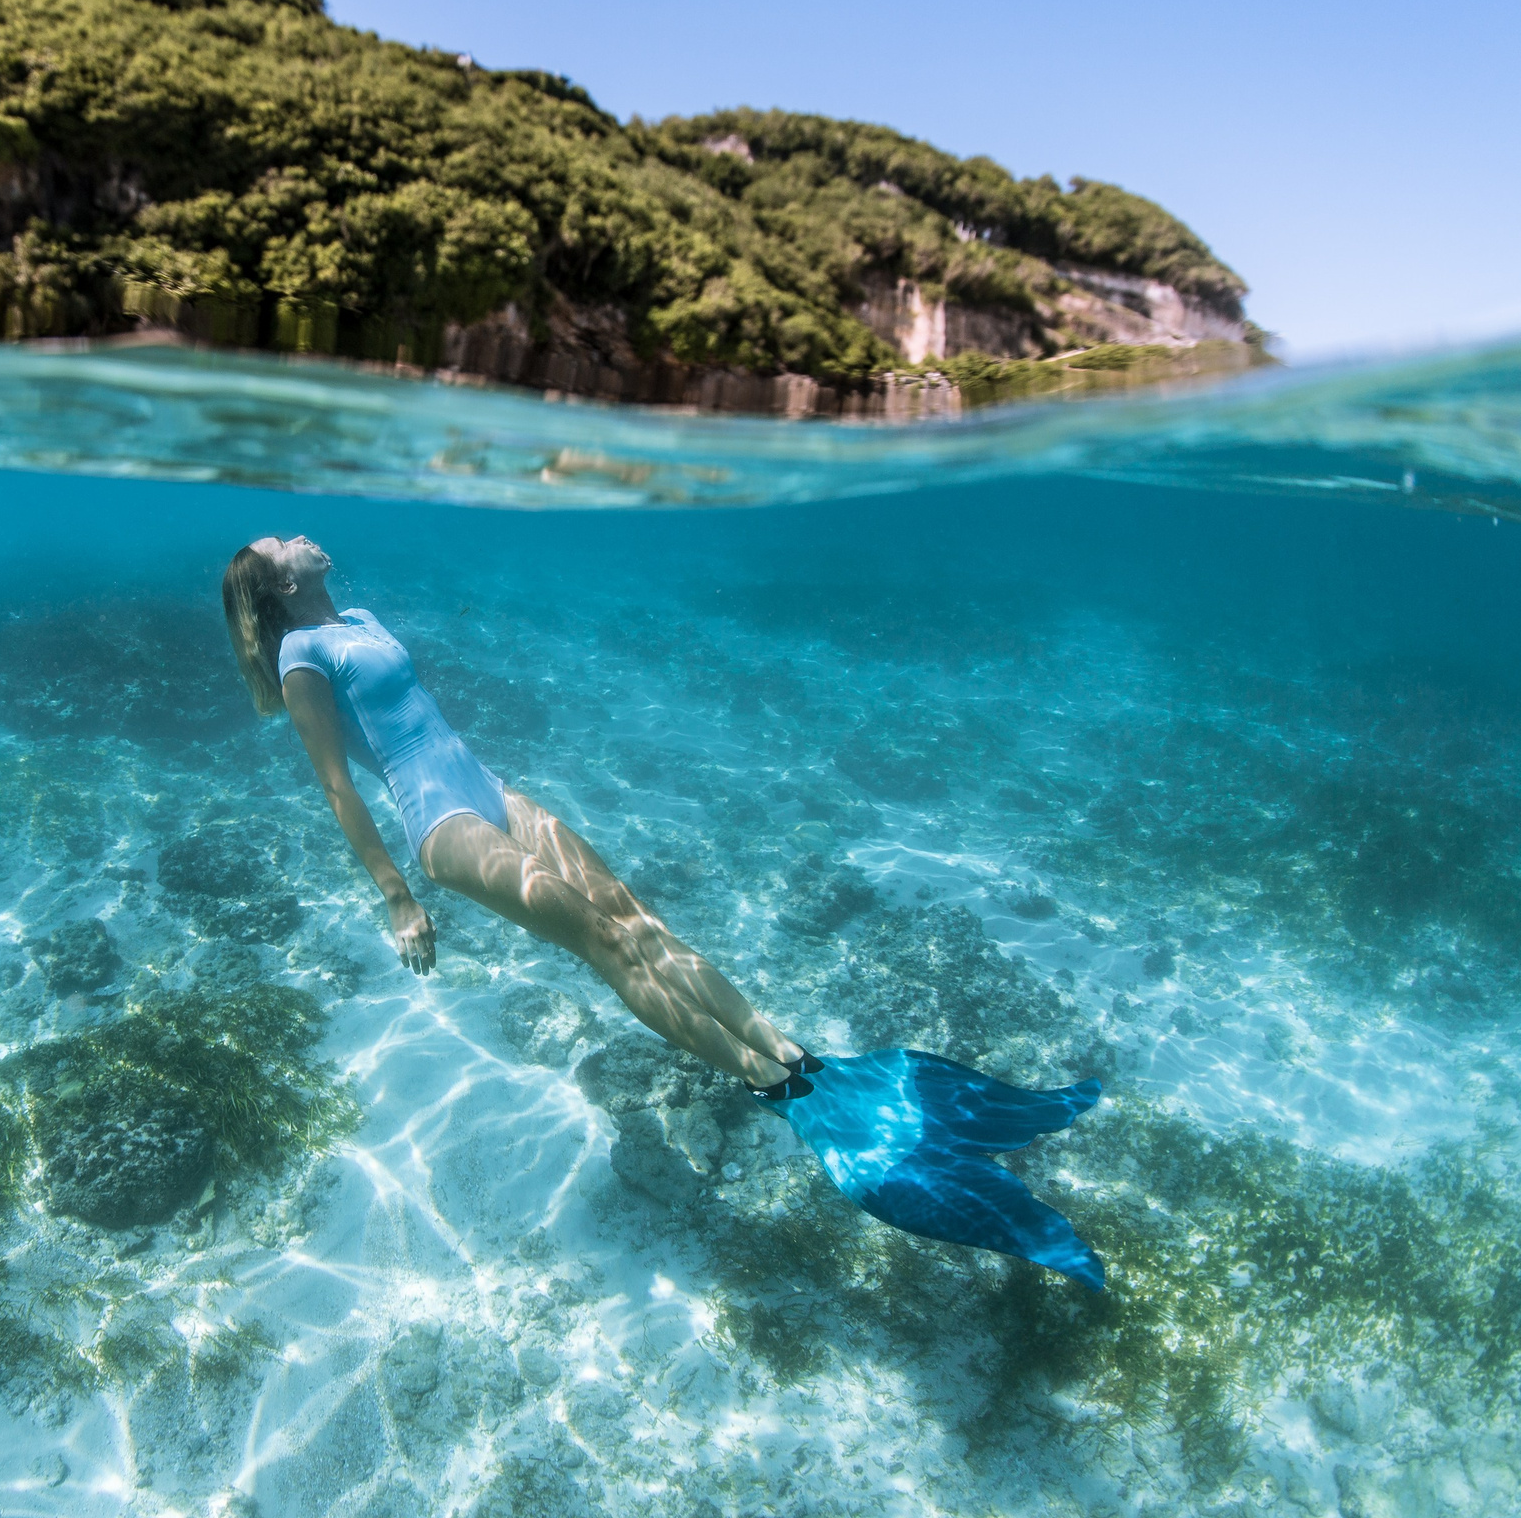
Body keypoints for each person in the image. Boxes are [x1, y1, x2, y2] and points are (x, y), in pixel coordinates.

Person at [220, 534, 1107, 1287]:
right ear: (284, 583)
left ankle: (797, 1054)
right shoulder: (304, 656)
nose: (298, 533)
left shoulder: (360, 619)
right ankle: (770, 1083)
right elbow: (337, 783)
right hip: (440, 821)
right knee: (605, 942)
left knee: (637, 916)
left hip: (486, 786)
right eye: (280, 543)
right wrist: (398, 896)